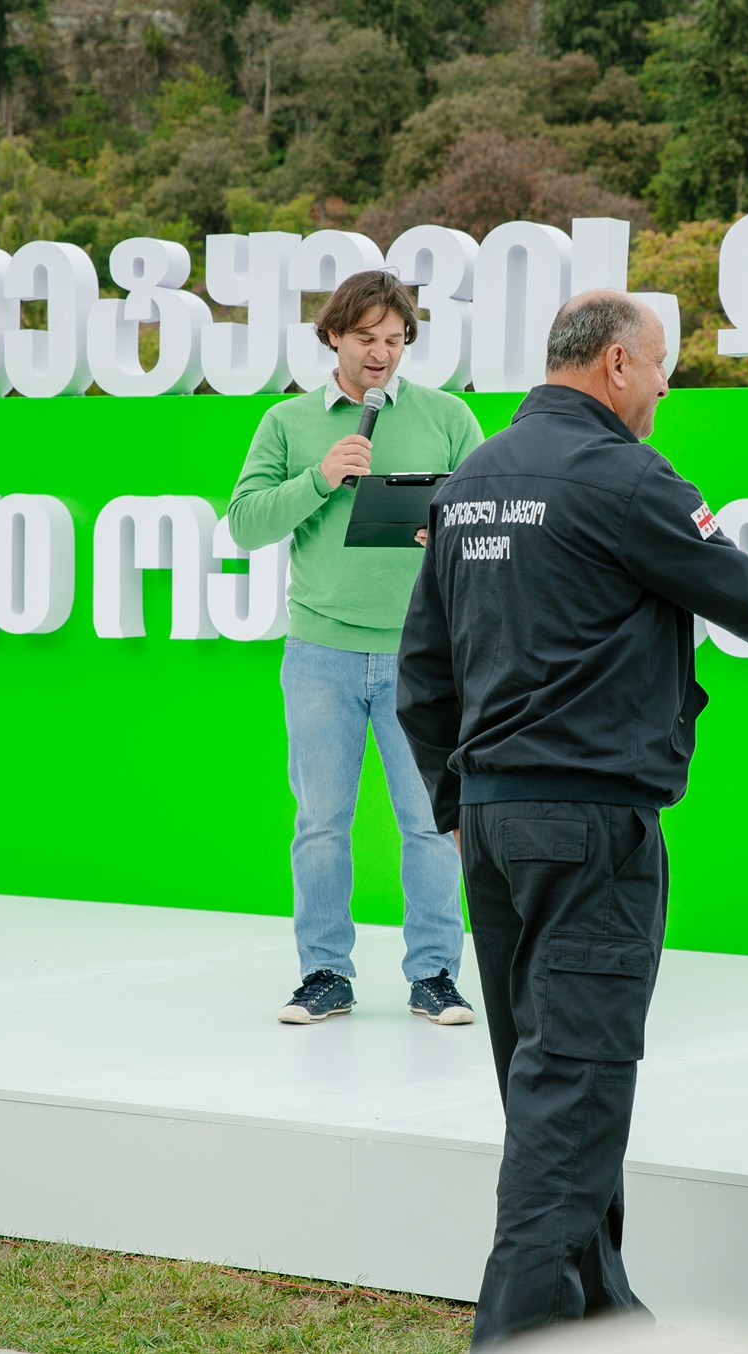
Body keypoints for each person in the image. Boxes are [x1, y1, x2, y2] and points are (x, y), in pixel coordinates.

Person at [396, 290, 748, 1346]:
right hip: (587, 824)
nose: (665, 389)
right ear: (616, 366)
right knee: (573, 1090)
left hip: (493, 829)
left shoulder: (472, 482)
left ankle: (600, 1316)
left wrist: (458, 806)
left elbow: (423, 670)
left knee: (549, 1090)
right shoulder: (625, 479)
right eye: (660, 368)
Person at [226, 269, 486, 1027]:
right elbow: (244, 524)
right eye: (367, 338)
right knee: (320, 825)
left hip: (423, 659)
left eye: (396, 340)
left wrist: (446, 532)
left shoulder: (448, 416)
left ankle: (435, 975)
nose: (382, 353)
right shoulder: (286, 422)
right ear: (333, 335)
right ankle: (324, 975)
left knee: (432, 824)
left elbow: (489, 517)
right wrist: (321, 477)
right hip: (320, 654)